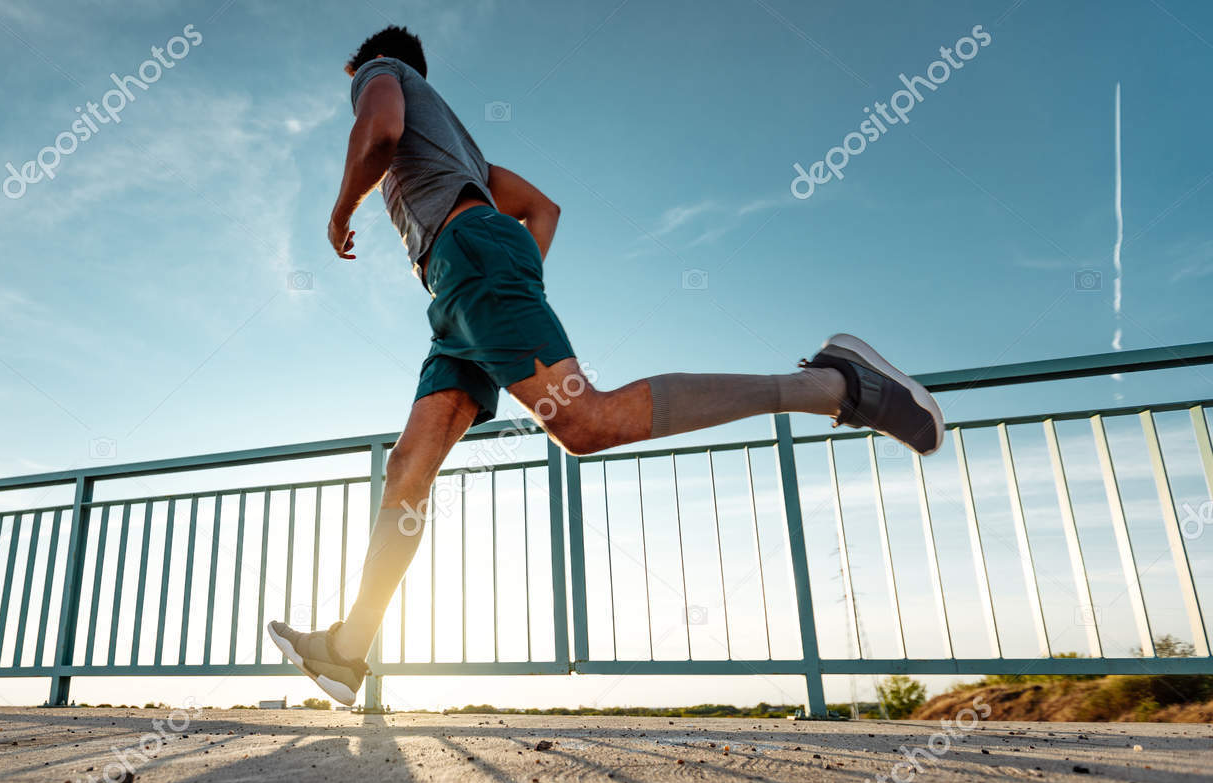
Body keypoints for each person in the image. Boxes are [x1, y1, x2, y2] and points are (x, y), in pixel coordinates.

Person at [269, 25, 943, 705]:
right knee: (408, 467)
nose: (358, 99)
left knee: (586, 421)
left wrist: (340, 211)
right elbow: (544, 211)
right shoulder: (462, 150)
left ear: (377, 64)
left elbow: (379, 133)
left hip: (469, 263)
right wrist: (517, 270)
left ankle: (836, 383)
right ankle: (350, 651)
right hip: (462, 291)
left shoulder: (378, 74)